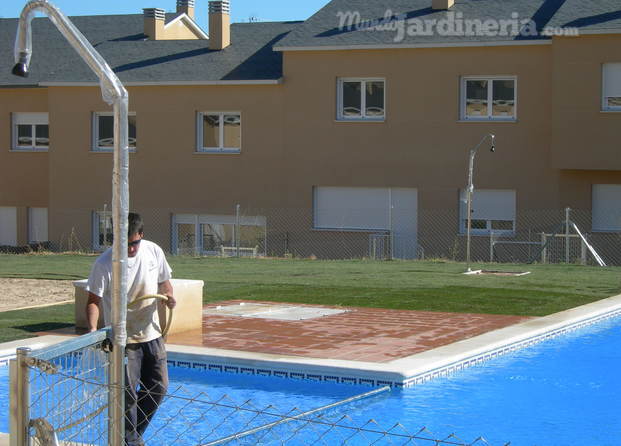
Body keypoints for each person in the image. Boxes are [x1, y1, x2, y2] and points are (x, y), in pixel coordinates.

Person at [86, 212, 176, 446]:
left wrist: (169, 297)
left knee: (159, 387)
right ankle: (131, 441)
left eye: (135, 243)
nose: (131, 249)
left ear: (141, 236)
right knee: (127, 396)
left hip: (152, 332)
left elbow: (165, 283)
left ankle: (130, 437)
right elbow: (93, 301)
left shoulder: (153, 251)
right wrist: (93, 331)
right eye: (125, 244)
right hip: (123, 339)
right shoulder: (105, 264)